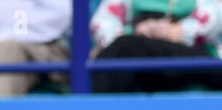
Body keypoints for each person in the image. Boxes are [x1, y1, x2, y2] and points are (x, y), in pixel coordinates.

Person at [91, 0, 222, 93]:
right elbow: (103, 21)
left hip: (194, 55)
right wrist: (139, 31)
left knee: (125, 47)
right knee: (123, 49)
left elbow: (215, 14)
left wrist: (178, 30)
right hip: (142, 52)